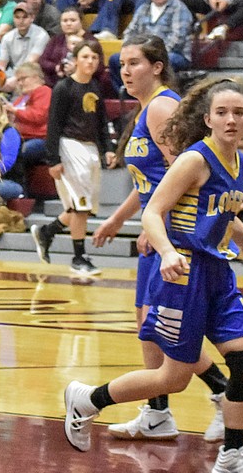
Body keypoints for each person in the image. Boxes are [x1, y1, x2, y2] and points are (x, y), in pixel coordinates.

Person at [65, 77, 243, 473]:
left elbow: (227, 217)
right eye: (222, 112)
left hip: (218, 275)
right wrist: (169, 251)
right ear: (207, 119)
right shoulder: (194, 159)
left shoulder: (239, 163)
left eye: (238, 112)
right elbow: (153, 212)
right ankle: (88, 399)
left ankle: (233, 456)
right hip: (183, 275)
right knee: (174, 377)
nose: (230, 119)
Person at [92, 35, 230, 442]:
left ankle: (221, 394)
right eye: (121, 66)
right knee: (149, 326)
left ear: (157, 66)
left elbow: (181, 178)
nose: (126, 71)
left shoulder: (162, 107)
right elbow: (149, 181)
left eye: (134, 63)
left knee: (160, 326)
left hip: (171, 235)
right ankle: (158, 413)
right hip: (157, 229)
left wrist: (163, 231)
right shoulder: (146, 111)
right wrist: (117, 219)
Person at [30, 40, 115, 276]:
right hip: (69, 146)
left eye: (95, 58)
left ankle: (48, 232)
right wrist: (53, 159)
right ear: (75, 59)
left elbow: (102, 123)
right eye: (86, 56)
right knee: (80, 206)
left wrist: (107, 148)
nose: (90, 61)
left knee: (82, 207)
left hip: (90, 150)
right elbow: (53, 126)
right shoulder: (63, 88)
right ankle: (78, 258)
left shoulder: (96, 87)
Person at [109, 0, 195, 85]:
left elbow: (177, 39)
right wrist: (133, 51)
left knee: (163, 60)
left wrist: (153, 54)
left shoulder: (179, 8)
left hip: (173, 54)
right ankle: (128, 95)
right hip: (143, 53)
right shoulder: (143, 9)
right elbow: (129, 32)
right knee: (115, 59)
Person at [0, 2, 49, 90]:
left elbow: (31, 62)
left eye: (25, 17)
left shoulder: (41, 35)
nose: (21, 21)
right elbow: (2, 64)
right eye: (17, 17)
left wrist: (16, 79)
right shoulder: (7, 37)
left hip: (34, 76)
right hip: (14, 75)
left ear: (32, 18)